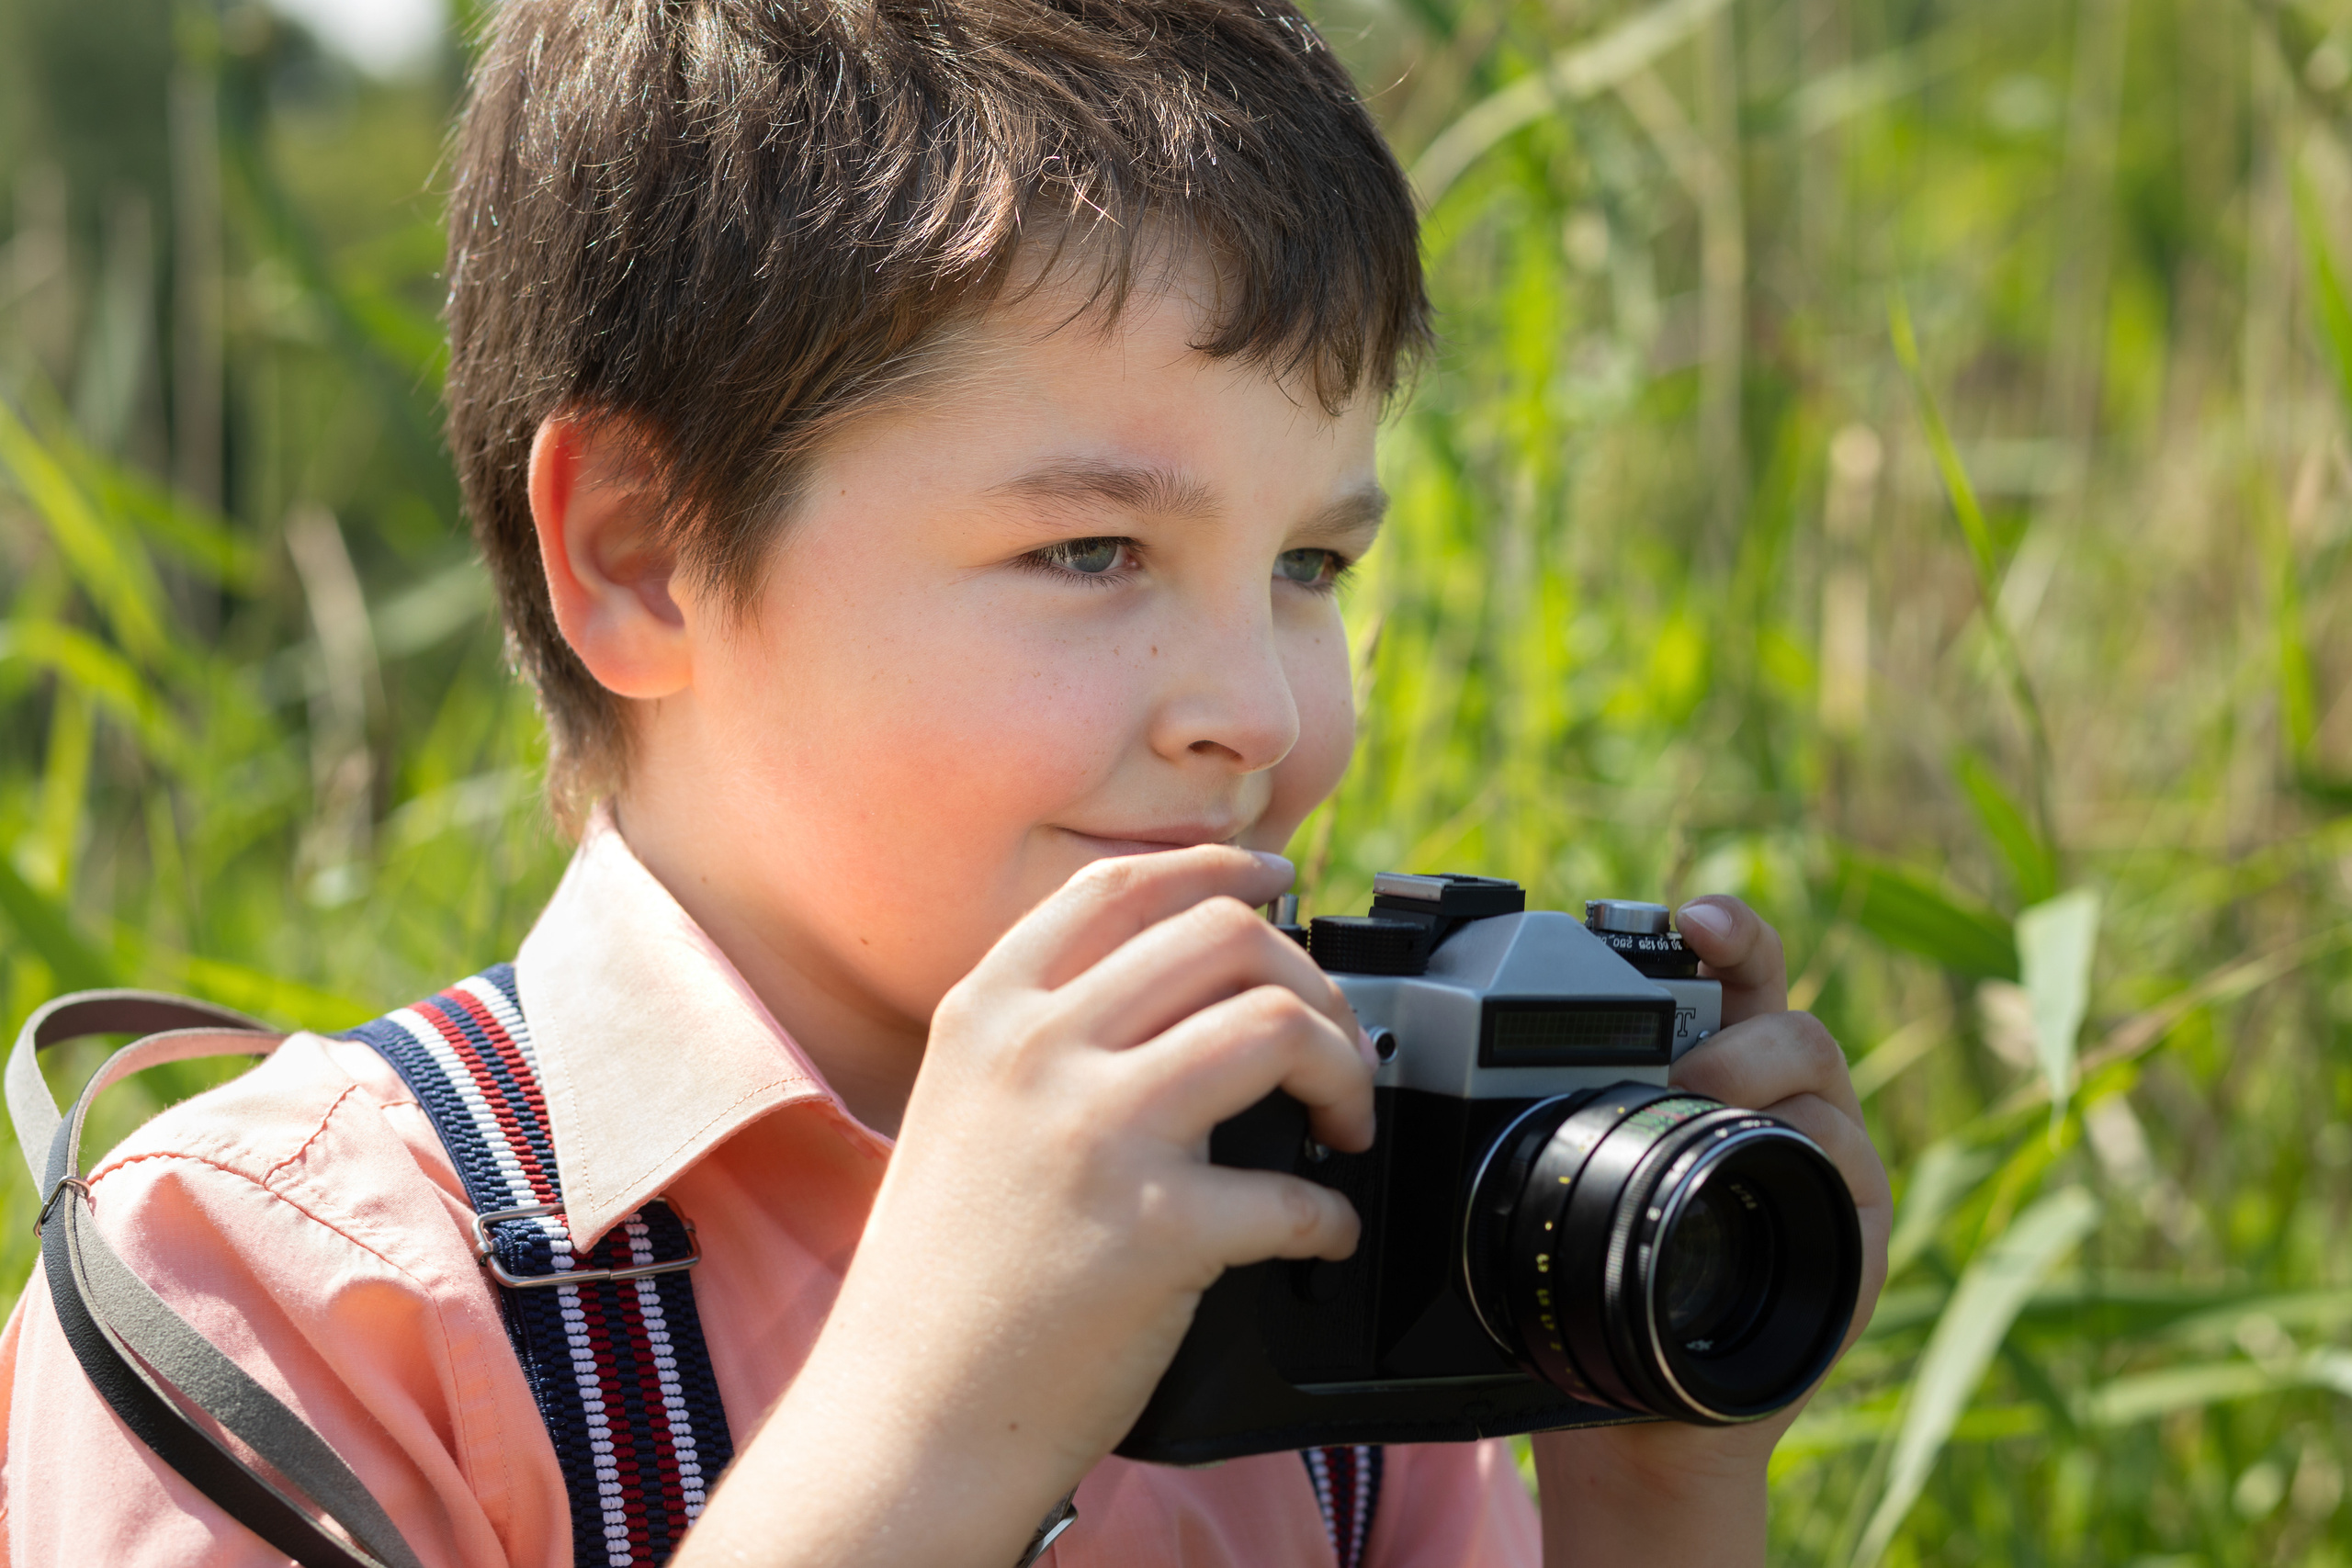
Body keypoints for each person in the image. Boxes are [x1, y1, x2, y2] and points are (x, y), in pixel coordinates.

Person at [0, 0, 1892, 1562]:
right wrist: (925, 1424)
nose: (1257, 708)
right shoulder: (276, 1291)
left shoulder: (1322, 1216)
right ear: (645, 551)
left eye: (1308, 567)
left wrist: (1653, 1487)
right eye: (1088, 553)